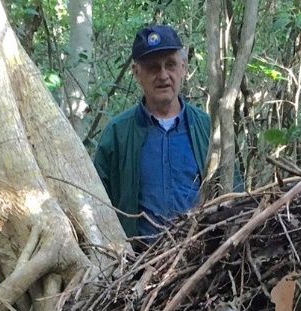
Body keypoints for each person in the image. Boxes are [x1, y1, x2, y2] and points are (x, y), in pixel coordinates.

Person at [92, 24, 231, 239]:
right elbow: (97, 203)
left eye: (171, 65)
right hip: (137, 263)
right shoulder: (118, 133)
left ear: (184, 67)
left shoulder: (208, 127)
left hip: (202, 259)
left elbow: (233, 191)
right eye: (153, 67)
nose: (163, 75)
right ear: (136, 72)